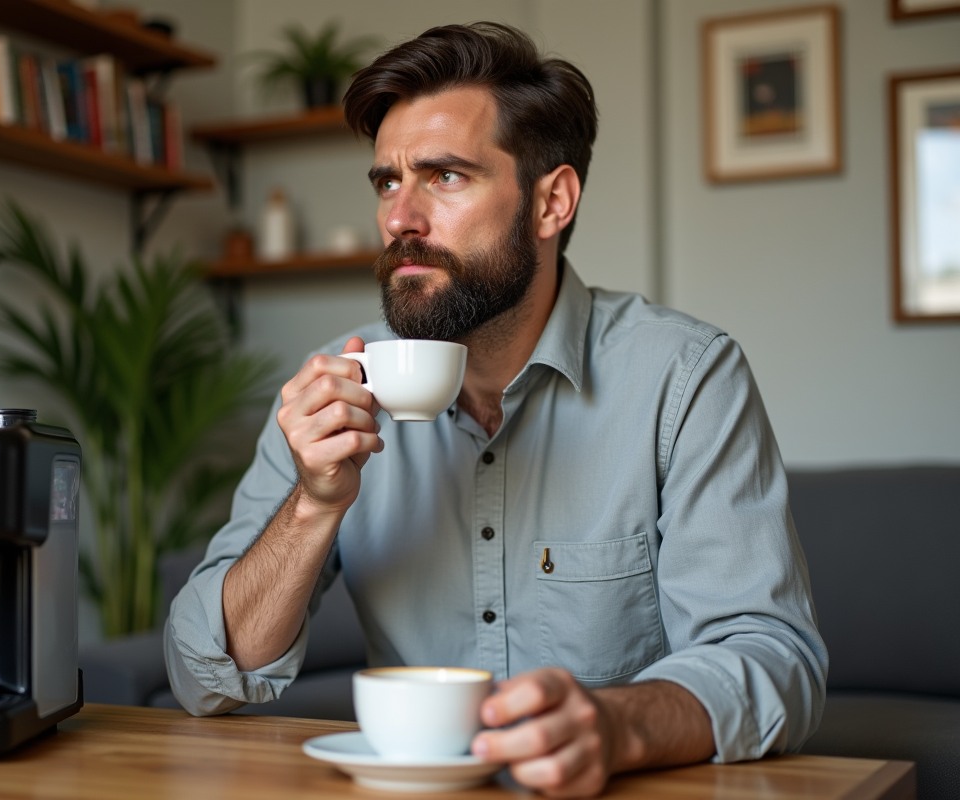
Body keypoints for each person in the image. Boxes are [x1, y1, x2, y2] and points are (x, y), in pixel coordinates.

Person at [165, 22, 826, 797]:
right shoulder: (333, 392)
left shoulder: (682, 378)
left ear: (552, 202)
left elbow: (774, 659)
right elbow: (203, 675)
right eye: (387, 183)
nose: (399, 218)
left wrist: (615, 726)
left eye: (444, 176)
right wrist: (313, 504)